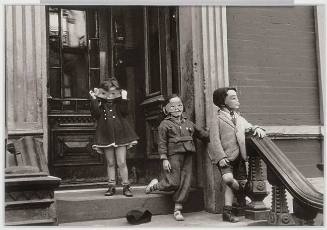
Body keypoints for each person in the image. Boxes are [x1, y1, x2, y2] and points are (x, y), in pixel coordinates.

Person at [145, 95, 209, 221]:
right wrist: (164, 159)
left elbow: (201, 134)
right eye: (172, 106)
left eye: (179, 105)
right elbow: (162, 142)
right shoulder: (165, 124)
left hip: (188, 154)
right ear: (167, 109)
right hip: (173, 155)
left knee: (186, 181)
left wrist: (211, 133)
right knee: (174, 182)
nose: (176, 108)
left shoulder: (188, 123)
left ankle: (178, 208)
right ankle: (155, 186)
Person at [209, 87, 266, 222]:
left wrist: (256, 128)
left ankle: (227, 213)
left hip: (239, 156)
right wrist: (221, 157)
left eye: (236, 97)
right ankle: (241, 194)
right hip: (225, 157)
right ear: (223, 102)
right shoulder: (217, 118)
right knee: (228, 179)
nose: (237, 100)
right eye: (233, 98)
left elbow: (248, 126)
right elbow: (214, 140)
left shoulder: (239, 117)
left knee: (236, 182)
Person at [89, 77, 139, 197]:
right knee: (110, 162)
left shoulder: (119, 102)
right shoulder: (101, 103)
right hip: (106, 135)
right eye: (107, 92)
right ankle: (111, 186)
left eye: (113, 92)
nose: (110, 96)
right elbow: (95, 114)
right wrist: (94, 99)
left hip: (120, 134)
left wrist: (124, 98)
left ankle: (126, 186)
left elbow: (125, 112)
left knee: (121, 162)